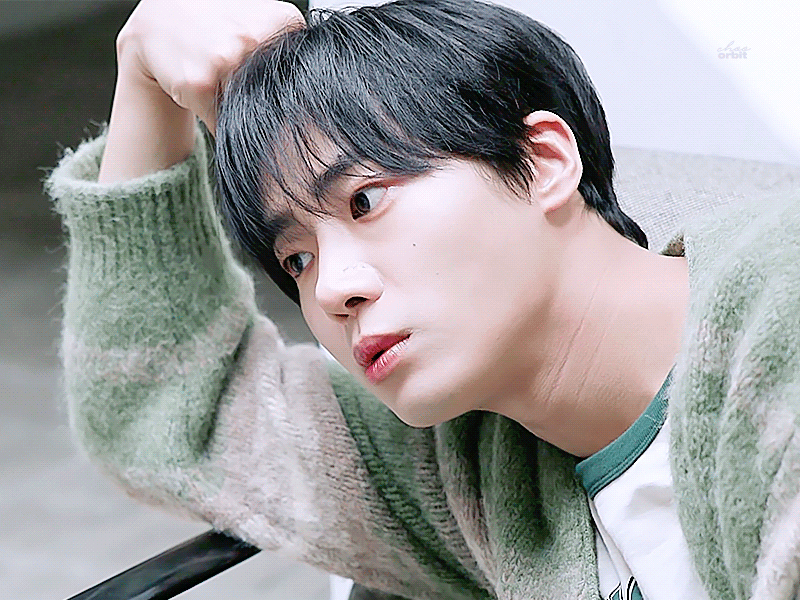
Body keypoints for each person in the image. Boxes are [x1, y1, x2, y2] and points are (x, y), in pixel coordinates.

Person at [45, 0, 800, 599]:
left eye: (366, 200)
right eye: (297, 258)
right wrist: (142, 76)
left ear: (543, 162)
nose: (332, 289)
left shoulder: (780, 320)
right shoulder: (474, 471)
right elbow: (171, 413)